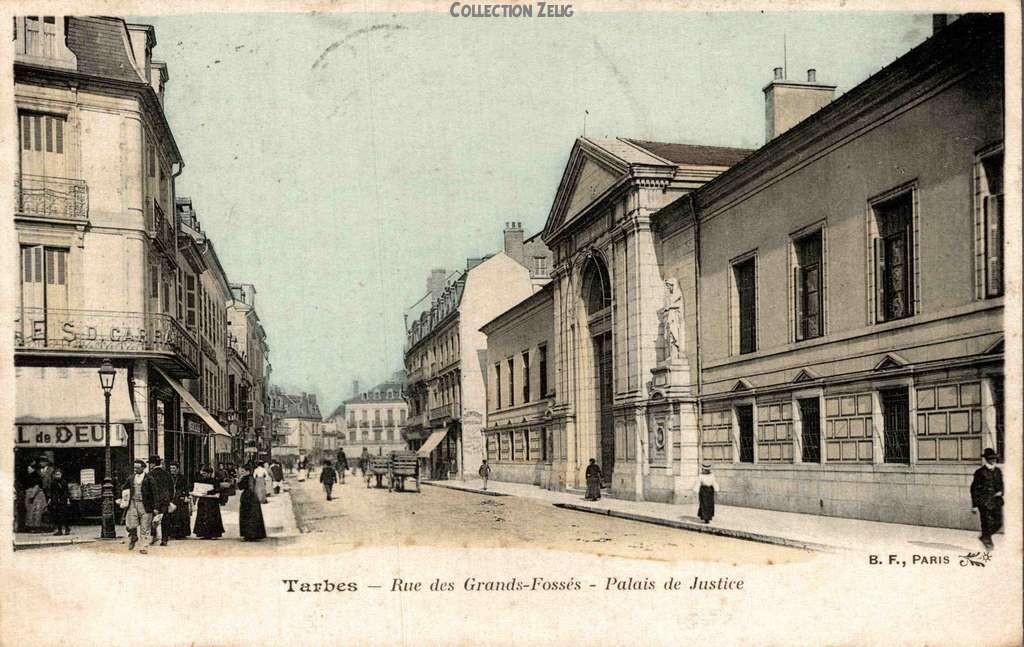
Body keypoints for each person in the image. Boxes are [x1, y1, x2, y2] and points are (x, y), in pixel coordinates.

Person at [970, 447, 1004, 551]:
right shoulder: (980, 472)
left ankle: (984, 536)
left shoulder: (998, 471)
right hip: (984, 502)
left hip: (996, 501)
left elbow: (1001, 484)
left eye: (994, 458)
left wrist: (1001, 491)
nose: (993, 460)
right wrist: (975, 505)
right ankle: (988, 543)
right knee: (986, 523)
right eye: (991, 458)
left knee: (999, 522)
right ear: (986, 459)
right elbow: (974, 489)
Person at [120, 459, 155, 553]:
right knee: (130, 525)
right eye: (134, 467)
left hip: (145, 505)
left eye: (137, 468)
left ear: (143, 468)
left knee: (145, 527)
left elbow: (155, 494)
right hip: (133, 504)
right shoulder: (131, 478)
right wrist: (122, 497)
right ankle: (133, 536)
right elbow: (123, 487)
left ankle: (143, 547)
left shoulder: (149, 479)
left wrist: (155, 507)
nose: (135, 469)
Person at [146, 455, 174, 546]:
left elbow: (148, 489)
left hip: (154, 500)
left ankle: (154, 536)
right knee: (165, 519)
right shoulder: (166, 474)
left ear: (153, 464)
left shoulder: (150, 474)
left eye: (150, 463)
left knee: (153, 519)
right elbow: (171, 488)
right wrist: (170, 499)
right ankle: (164, 539)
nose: (149, 465)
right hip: (165, 500)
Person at [192, 465, 225, 540]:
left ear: (210, 474)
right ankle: (204, 533)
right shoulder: (200, 480)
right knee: (203, 516)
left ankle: (214, 534)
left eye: (205, 474)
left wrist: (209, 492)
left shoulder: (214, 481)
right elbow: (197, 489)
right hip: (203, 501)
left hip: (212, 502)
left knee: (212, 517)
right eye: (203, 474)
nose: (203, 475)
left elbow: (218, 489)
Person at [237, 464, 267, 542]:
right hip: (251, 498)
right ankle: (252, 534)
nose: (241, 472)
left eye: (243, 471)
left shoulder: (247, 478)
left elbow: (243, 487)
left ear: (248, 471)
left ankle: (249, 535)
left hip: (248, 498)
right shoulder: (250, 478)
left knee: (248, 516)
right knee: (252, 516)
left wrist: (239, 480)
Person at [163, 461, 191, 540]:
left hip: (180, 498)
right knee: (171, 516)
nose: (172, 470)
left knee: (181, 516)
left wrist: (186, 495)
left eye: (174, 468)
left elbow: (186, 487)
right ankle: (171, 533)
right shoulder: (168, 477)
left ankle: (181, 533)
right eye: (171, 468)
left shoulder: (182, 478)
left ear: (178, 469)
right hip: (171, 498)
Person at [22, 460, 49, 532]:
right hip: (33, 493)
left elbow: (36, 486)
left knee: (36, 511)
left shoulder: (35, 476)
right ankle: (32, 526)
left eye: (29, 468)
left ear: (32, 469)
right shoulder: (31, 476)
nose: (28, 469)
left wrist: (32, 495)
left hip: (35, 494)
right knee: (32, 510)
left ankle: (35, 526)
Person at [47, 466, 72, 536]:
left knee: (64, 515)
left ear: (61, 475)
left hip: (63, 499)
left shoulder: (64, 482)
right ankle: (60, 530)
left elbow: (66, 491)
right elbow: (51, 492)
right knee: (57, 515)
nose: (58, 476)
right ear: (54, 475)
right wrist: (50, 499)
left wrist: (68, 500)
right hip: (55, 500)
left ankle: (67, 528)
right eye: (56, 474)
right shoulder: (53, 482)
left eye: (59, 474)